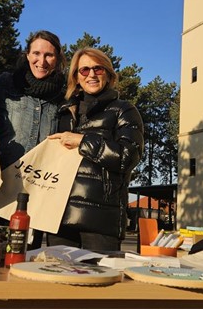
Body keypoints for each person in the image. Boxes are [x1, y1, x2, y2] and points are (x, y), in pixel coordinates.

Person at [47, 47, 144, 252]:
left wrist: (82, 141)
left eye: (98, 69)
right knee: (57, 281)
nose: (91, 74)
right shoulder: (63, 112)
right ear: (76, 76)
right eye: (84, 70)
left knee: (99, 280)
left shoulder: (124, 110)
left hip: (101, 222)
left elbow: (129, 156)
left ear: (108, 74)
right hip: (59, 219)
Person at [0, 30, 66, 248]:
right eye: (36, 53)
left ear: (57, 58)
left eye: (49, 55)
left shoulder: (66, 94)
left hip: (40, 188)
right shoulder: (6, 83)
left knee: (27, 253)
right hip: (0, 184)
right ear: (27, 55)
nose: (42, 61)